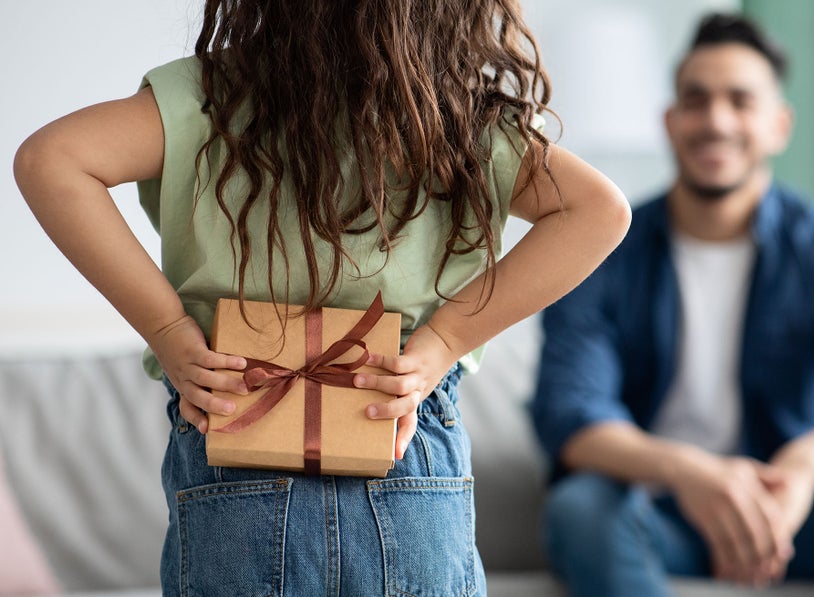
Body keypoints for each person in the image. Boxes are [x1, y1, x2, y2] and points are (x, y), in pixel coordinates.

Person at [14, 1, 630, 594]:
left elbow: (51, 159)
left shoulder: (209, 96)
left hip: (237, 413)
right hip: (400, 422)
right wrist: (445, 342)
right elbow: (599, 211)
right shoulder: (451, 113)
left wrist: (170, 330)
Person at [532, 13, 814, 597]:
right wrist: (691, 473)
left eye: (741, 101)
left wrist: (803, 466)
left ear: (779, 125)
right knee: (579, 506)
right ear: (670, 120)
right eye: (697, 100)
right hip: (662, 515)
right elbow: (570, 413)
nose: (716, 120)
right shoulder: (604, 250)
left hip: (793, 518)